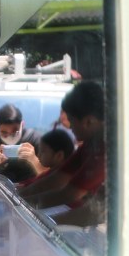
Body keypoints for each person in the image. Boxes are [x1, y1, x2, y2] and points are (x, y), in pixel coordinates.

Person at [20, 81, 106, 211]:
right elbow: (57, 176)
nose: (70, 127)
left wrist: (21, 203)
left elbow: (70, 194)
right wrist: (18, 193)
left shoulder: (105, 148)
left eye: (71, 120)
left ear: (88, 121)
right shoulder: (91, 143)